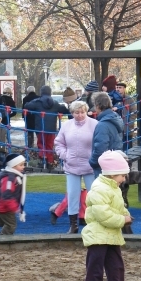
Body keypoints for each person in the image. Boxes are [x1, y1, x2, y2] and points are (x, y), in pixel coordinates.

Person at [82, 151, 133, 281]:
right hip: (98, 237)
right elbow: (103, 215)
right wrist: (122, 220)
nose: (123, 179)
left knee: (116, 268)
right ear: (112, 174)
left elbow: (119, 207)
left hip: (111, 236)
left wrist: (126, 215)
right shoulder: (99, 188)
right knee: (95, 270)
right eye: (122, 175)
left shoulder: (113, 187)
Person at [53, 100, 97, 233]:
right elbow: (59, 142)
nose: (80, 115)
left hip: (89, 165)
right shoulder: (66, 125)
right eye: (77, 112)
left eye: (83, 112)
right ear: (72, 113)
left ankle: (94, 223)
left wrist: (94, 157)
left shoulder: (95, 124)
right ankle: (73, 225)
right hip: (72, 165)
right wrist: (65, 155)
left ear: (86, 112)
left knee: (93, 195)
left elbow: (100, 142)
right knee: (72, 195)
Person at [24, 85, 68, 166]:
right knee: (49, 145)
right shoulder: (55, 103)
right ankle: (50, 161)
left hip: (40, 127)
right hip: (51, 129)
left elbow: (27, 106)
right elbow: (64, 110)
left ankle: (43, 159)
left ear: (41, 92)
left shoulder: (37, 102)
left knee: (41, 144)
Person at [89, 92, 124, 177]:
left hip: (105, 166)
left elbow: (100, 147)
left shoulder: (103, 125)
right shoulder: (116, 118)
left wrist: (92, 162)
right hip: (115, 161)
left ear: (97, 106)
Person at [0, 153, 28, 235]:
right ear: (13, 166)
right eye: (21, 165)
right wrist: (14, 207)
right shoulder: (9, 179)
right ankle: (2, 240)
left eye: (23, 164)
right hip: (6, 207)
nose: (23, 167)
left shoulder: (15, 176)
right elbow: (6, 195)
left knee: (2, 221)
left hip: (6, 206)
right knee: (11, 225)